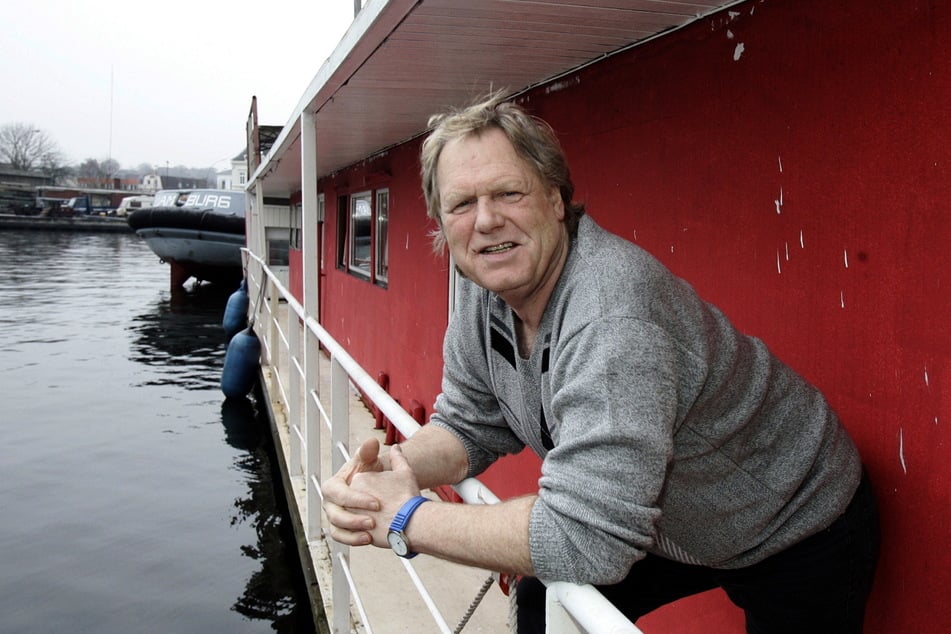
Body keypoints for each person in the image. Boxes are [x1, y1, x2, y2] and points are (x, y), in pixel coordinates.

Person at [322, 93, 880, 633]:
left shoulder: (613, 319)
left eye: (509, 193)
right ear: (443, 224)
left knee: (567, 567)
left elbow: (583, 540)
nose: (486, 221)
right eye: (462, 205)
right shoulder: (484, 285)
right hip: (664, 514)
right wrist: (396, 469)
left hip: (795, 519)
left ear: (555, 199)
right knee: (548, 599)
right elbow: (470, 423)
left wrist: (404, 519)